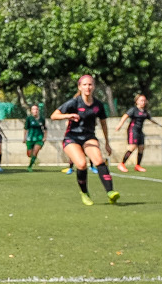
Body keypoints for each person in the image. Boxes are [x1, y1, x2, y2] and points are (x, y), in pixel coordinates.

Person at [51, 75, 118, 206]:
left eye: (90, 85)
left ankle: (110, 192)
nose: (88, 87)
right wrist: (68, 115)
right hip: (72, 138)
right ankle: (84, 193)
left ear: (94, 87)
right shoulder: (73, 102)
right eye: (85, 85)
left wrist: (107, 143)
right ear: (80, 87)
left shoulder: (98, 105)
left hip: (89, 137)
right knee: (81, 164)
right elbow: (54, 115)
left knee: (99, 160)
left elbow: (103, 124)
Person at [118, 92, 152, 172]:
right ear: (137, 101)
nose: (143, 102)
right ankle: (122, 164)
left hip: (140, 131)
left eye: (144, 101)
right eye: (141, 100)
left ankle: (138, 165)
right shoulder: (133, 110)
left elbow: (150, 118)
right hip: (133, 130)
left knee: (141, 148)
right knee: (132, 147)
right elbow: (125, 116)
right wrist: (120, 125)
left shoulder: (145, 111)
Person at [22, 103, 48, 170]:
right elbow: (25, 129)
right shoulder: (29, 119)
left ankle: (30, 166)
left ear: (38, 110)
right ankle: (34, 159)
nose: (35, 111)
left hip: (39, 138)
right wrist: (24, 138)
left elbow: (45, 129)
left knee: (35, 151)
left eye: (36, 109)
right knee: (29, 154)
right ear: (31, 110)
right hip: (30, 138)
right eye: (33, 109)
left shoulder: (41, 119)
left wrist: (45, 137)